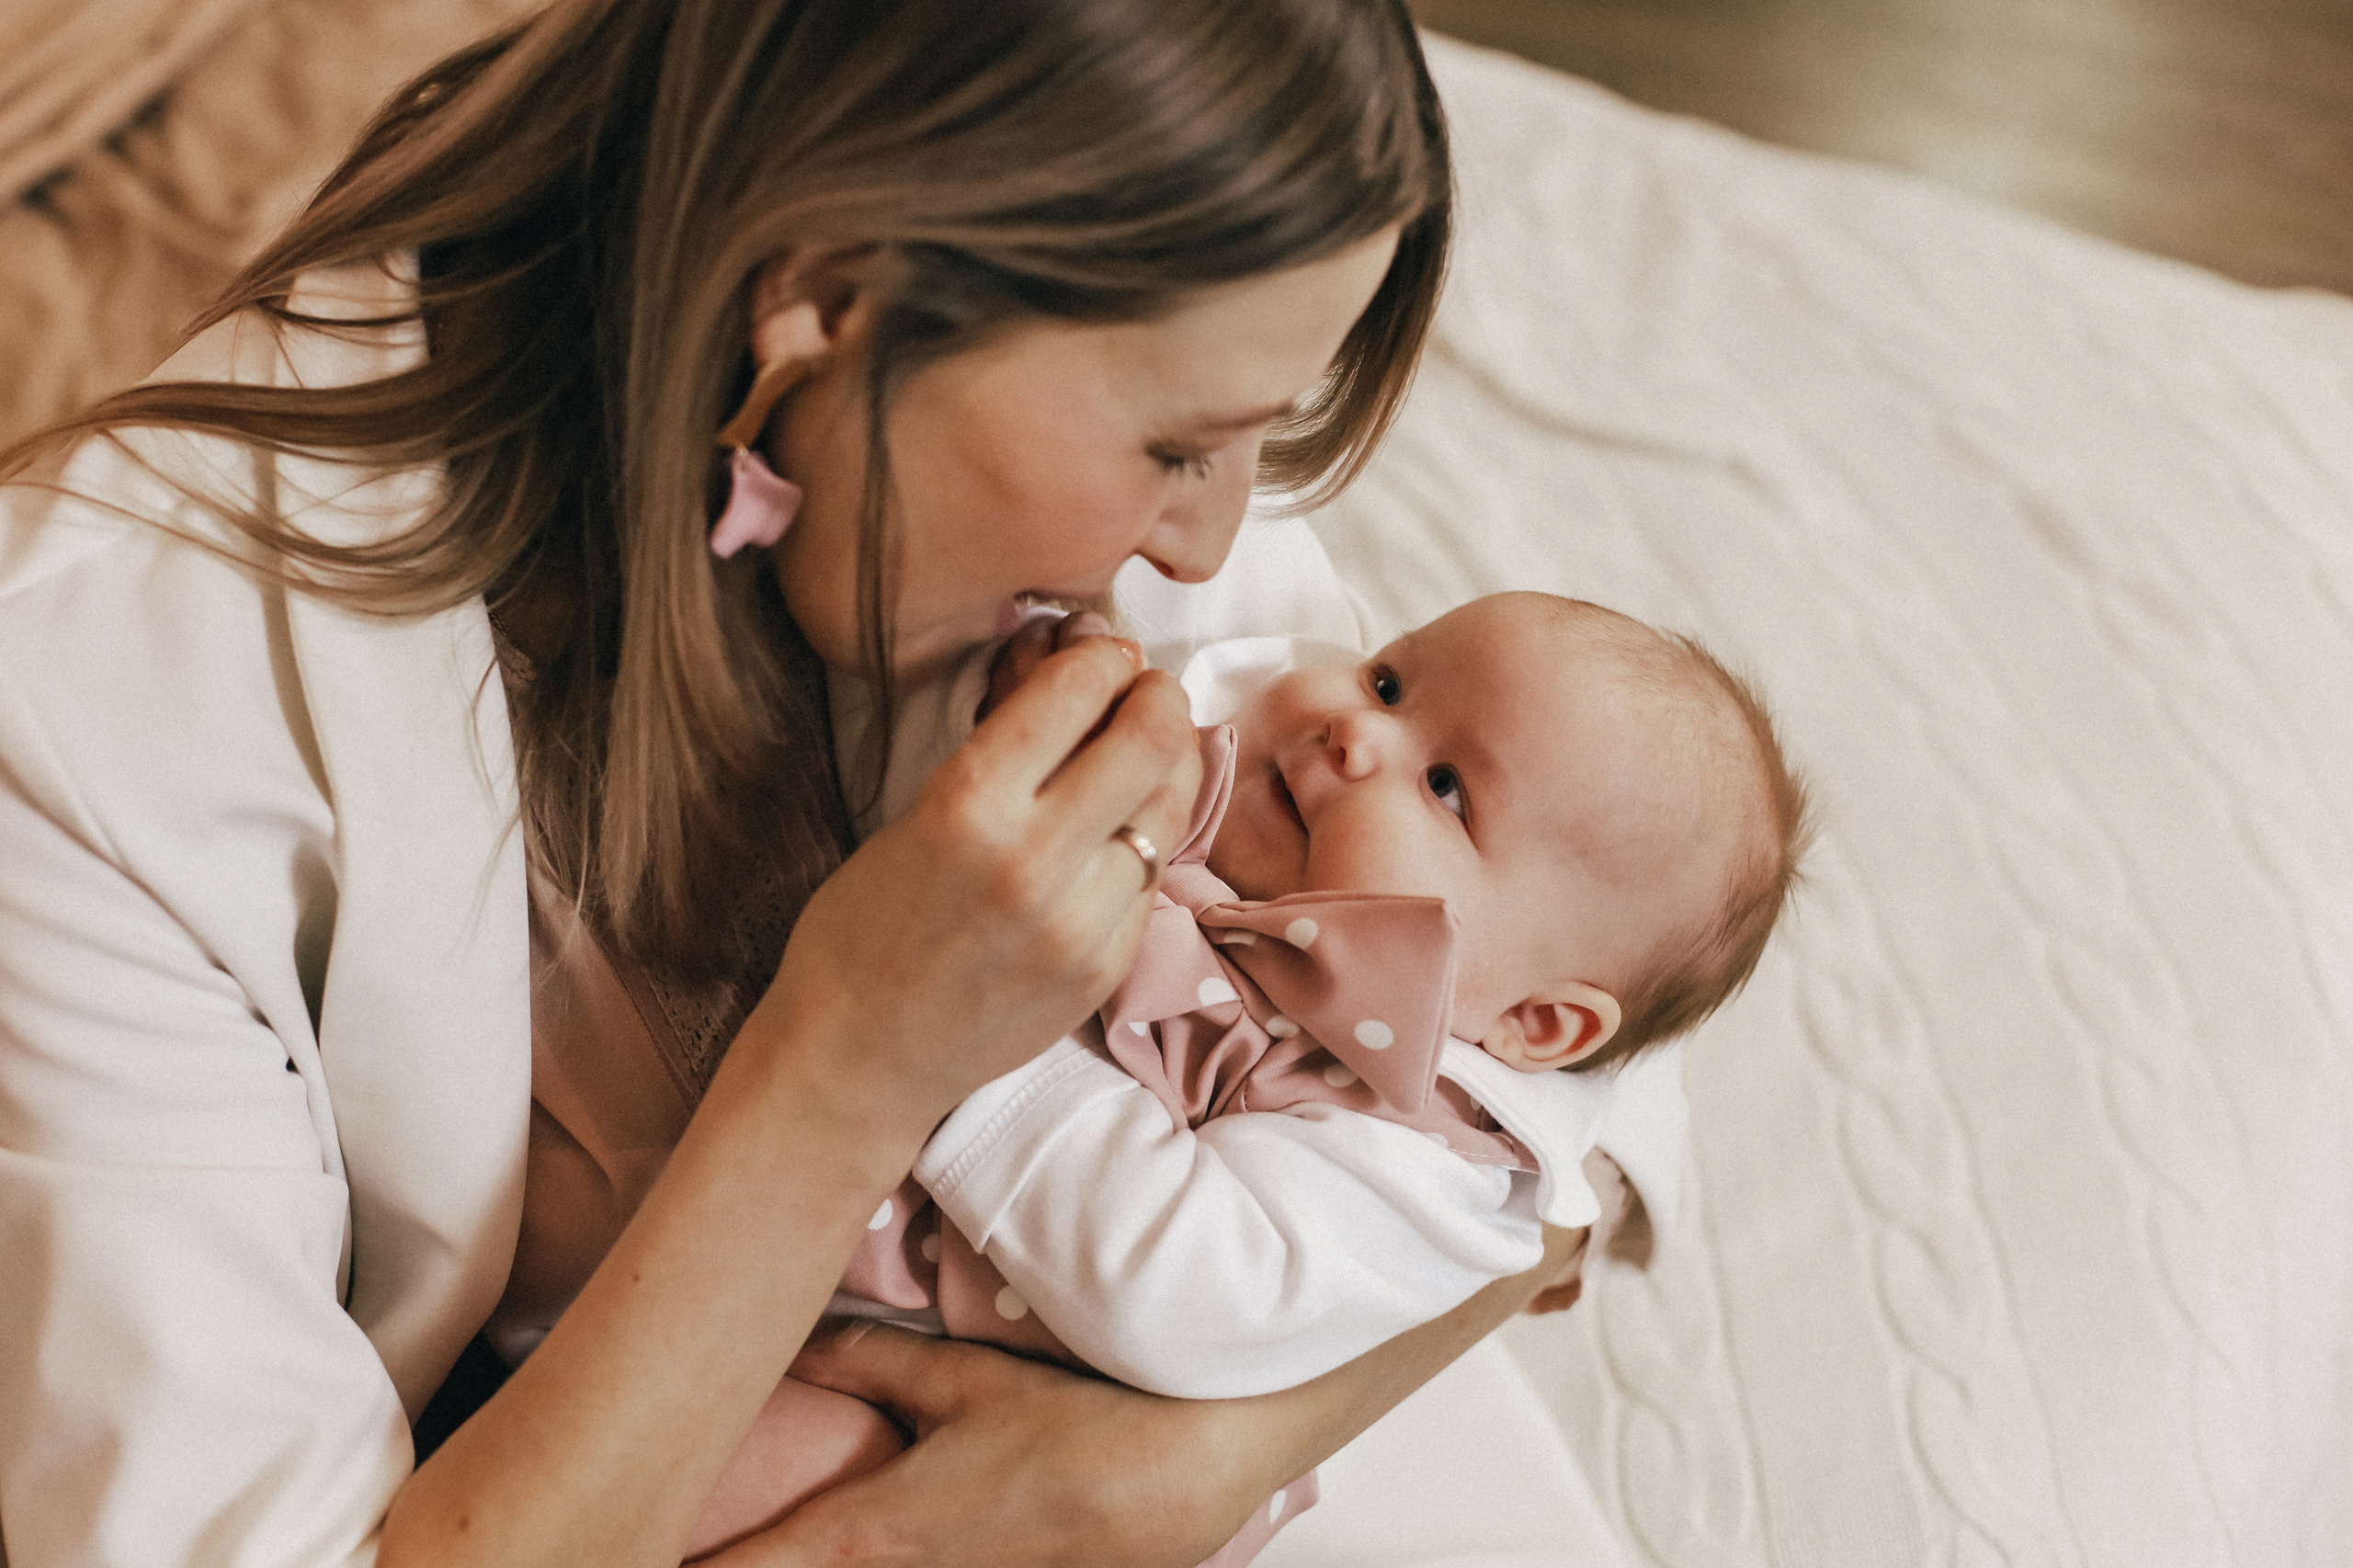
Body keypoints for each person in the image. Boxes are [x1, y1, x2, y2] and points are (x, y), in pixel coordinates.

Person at [0, 3, 1604, 1565]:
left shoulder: (1076, 517)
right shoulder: (83, 723)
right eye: (1182, 448)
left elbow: (1587, 1034)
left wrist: (1194, 1464)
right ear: (821, 299)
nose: (1207, 543)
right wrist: (849, 1067)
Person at [665, 592, 1809, 1558]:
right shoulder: (1214, 786)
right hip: (795, 1228)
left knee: (717, 1478)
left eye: (1448, 787)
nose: (1355, 734)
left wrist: (966, 1041)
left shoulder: (1422, 1150)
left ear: (1535, 1021)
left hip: (946, 1412)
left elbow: (1181, 1282)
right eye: (1390, 681)